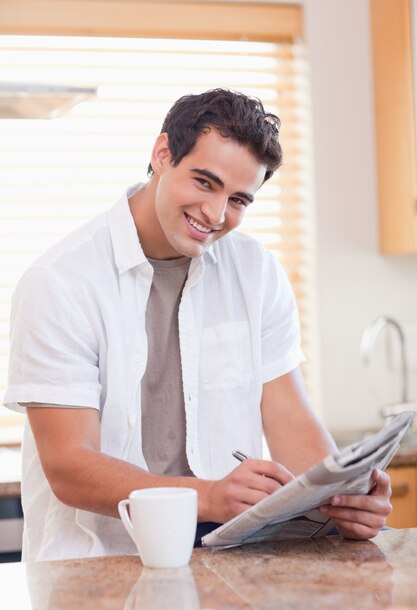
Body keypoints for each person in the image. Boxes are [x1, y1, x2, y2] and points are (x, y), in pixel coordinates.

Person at [4, 88, 392, 562]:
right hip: (98, 564)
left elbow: (289, 416)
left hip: (226, 561)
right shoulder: (60, 282)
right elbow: (69, 464)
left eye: (238, 199)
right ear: (162, 154)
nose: (215, 215)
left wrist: (343, 495)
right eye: (205, 183)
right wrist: (205, 496)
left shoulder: (256, 272)